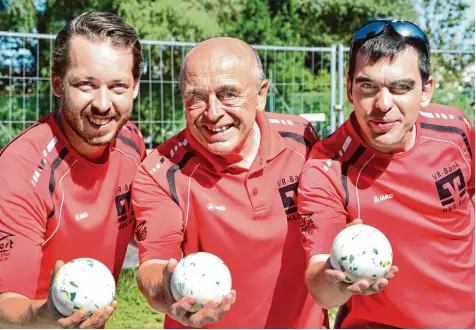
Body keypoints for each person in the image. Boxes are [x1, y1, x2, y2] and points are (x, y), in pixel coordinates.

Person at [131, 37, 328, 328]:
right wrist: (171, 290)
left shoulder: (302, 140)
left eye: (229, 94)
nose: (213, 113)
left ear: (261, 94)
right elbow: (152, 266)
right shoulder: (161, 171)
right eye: (196, 97)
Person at [298, 19, 474, 328]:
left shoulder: (455, 129)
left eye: (401, 87)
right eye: (368, 86)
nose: (383, 104)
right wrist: (336, 282)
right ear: (350, 87)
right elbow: (320, 287)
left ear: (426, 90)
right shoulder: (327, 168)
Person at [0, 11, 146, 328]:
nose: (103, 104)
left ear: (135, 87)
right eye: (86, 84)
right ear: (57, 83)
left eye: (118, 86)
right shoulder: (19, 172)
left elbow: (137, 226)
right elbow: (5, 307)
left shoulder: (132, 143)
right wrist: (50, 314)